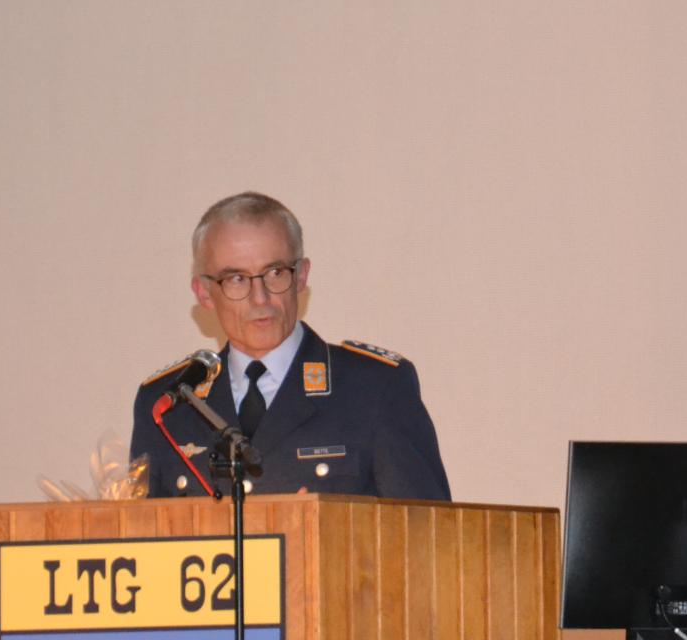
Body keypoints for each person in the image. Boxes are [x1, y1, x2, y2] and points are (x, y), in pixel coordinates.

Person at [130, 192, 451, 501]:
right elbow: (139, 533)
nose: (260, 298)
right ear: (203, 293)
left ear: (301, 276)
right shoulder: (169, 404)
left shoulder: (374, 388)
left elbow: (426, 529)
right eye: (237, 279)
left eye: (275, 272)